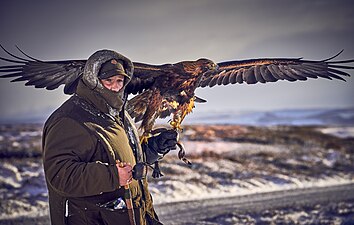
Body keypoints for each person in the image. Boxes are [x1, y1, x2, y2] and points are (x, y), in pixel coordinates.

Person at [42, 49, 177, 225]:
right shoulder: (70, 119)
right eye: (108, 81)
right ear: (93, 80)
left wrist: (152, 150)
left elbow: (118, 157)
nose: (115, 87)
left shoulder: (118, 115)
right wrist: (112, 175)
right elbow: (60, 175)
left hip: (134, 216)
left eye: (120, 81)